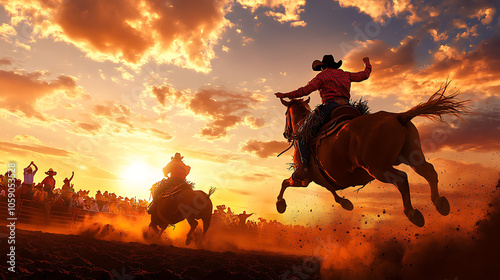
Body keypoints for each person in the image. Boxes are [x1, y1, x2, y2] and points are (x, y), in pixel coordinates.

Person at [275, 54, 372, 186]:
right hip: (348, 107)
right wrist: (367, 63)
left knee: (302, 134)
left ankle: (304, 167)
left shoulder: (323, 76)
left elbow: (305, 90)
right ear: (335, 65)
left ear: (323, 67)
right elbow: (364, 75)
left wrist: (286, 94)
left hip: (330, 106)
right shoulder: (345, 74)